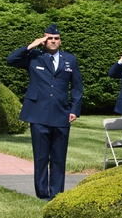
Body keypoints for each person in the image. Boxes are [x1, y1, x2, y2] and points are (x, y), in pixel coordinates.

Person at [6, 23, 84, 199]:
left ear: (60, 41)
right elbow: (11, 60)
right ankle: (42, 193)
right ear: (44, 40)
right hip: (38, 113)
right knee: (41, 157)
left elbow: (77, 87)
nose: (53, 41)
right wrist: (31, 46)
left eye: (56, 39)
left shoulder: (69, 60)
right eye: (49, 38)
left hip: (61, 113)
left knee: (58, 157)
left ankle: (56, 193)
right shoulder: (34, 57)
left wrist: (75, 109)